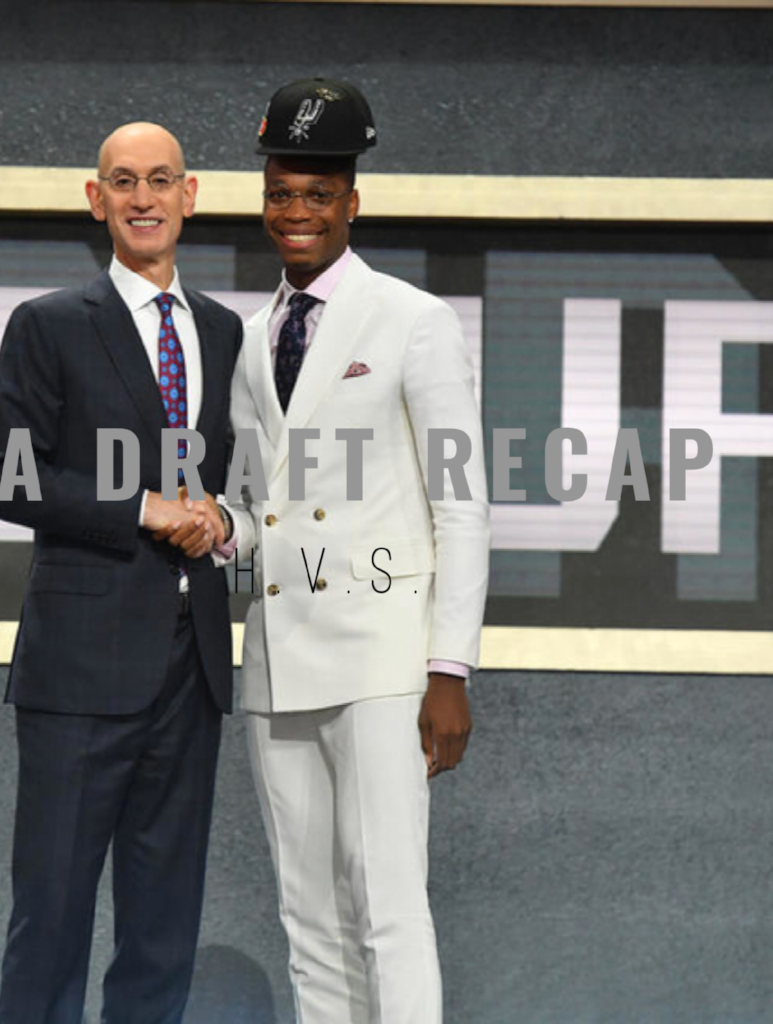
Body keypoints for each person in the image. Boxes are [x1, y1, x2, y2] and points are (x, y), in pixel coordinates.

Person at [224, 79, 491, 1023]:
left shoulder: (415, 320)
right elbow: (262, 508)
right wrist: (213, 526)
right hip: (277, 661)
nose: (296, 212)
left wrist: (449, 667)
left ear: (352, 202)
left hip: (383, 663)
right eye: (280, 194)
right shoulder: (250, 339)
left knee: (388, 909)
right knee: (308, 920)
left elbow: (462, 504)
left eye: (317, 194)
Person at [0, 122, 241, 1024]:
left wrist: (219, 515)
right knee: (51, 919)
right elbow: (4, 478)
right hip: (79, 667)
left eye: (160, 180)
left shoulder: (223, 331)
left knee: (163, 929)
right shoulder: (49, 324)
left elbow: (231, 475)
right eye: (123, 181)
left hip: (192, 665)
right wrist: (142, 507)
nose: (143, 198)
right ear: (97, 200)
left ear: (189, 195)